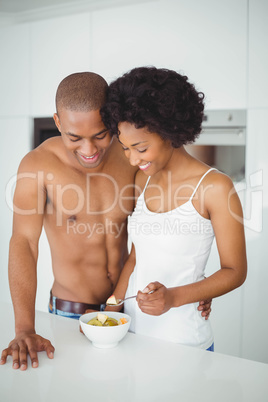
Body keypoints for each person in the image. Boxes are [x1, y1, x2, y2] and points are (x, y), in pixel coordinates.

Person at [0, 72, 212, 370]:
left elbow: (162, 227)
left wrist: (192, 287)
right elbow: (24, 243)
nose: (89, 150)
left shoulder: (132, 156)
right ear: (58, 122)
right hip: (72, 313)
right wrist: (24, 329)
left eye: (100, 135)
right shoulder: (37, 166)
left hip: (131, 311)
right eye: (74, 137)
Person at [101, 66, 247, 350]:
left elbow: (234, 271)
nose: (132, 160)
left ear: (170, 132)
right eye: (126, 148)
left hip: (183, 343)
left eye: (141, 148)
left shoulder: (215, 187)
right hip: (131, 336)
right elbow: (135, 257)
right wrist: (111, 310)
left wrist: (173, 298)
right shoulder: (143, 179)